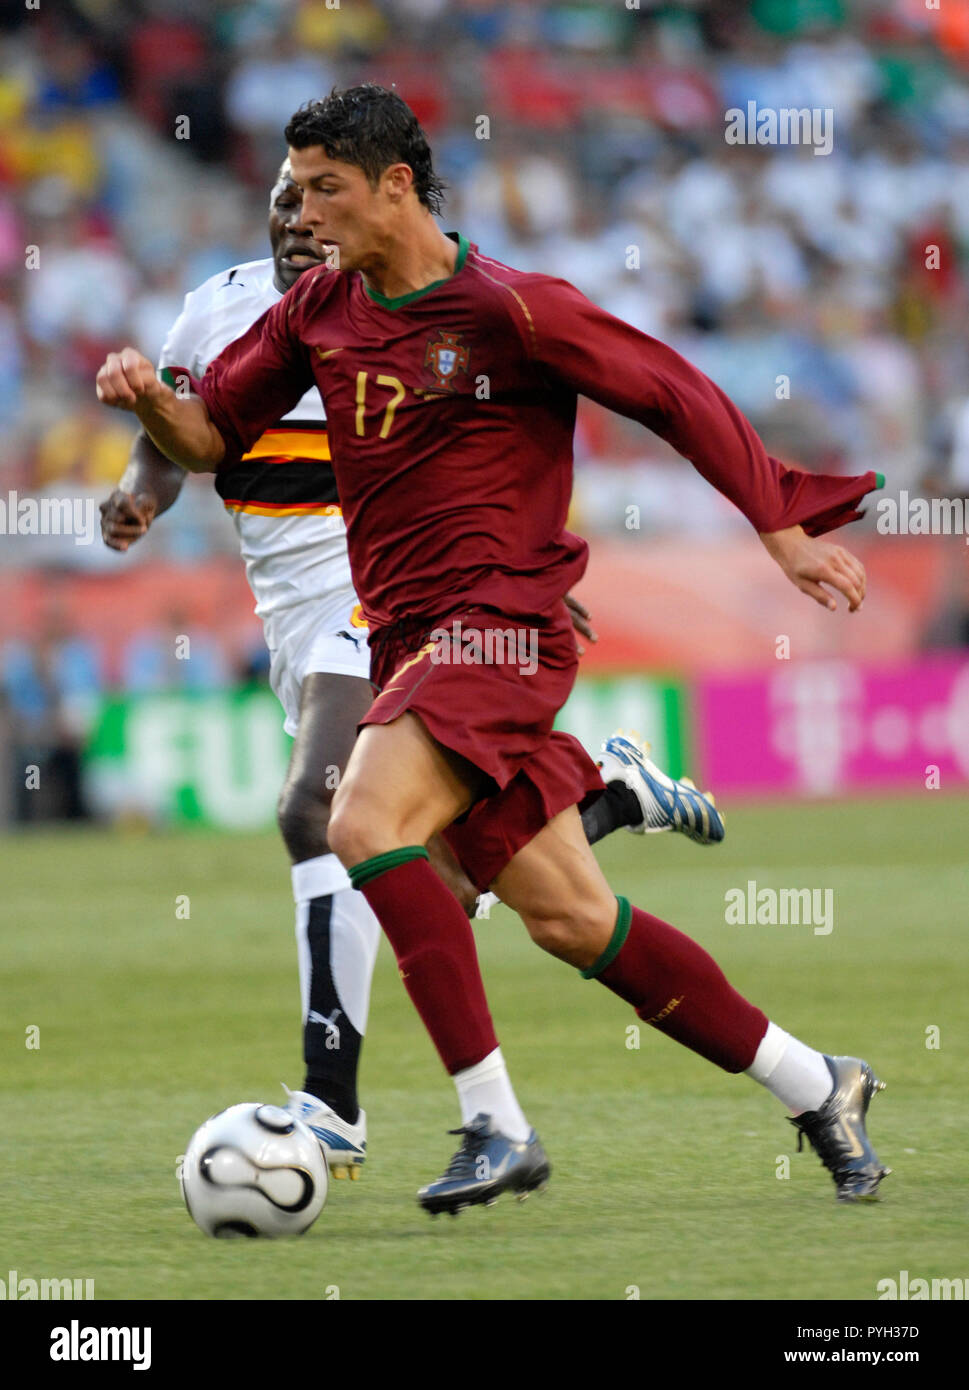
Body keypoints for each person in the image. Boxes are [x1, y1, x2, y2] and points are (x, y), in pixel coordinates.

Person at [95, 85, 888, 1215]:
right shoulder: (315, 311)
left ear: (396, 186)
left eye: (326, 188)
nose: (303, 212)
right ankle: (820, 1083)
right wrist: (144, 403)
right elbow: (213, 433)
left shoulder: (511, 310)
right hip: (413, 639)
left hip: (500, 630)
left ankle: (491, 1123)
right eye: (293, 188)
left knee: (354, 818)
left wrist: (780, 527)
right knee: (569, 917)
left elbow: (673, 391)